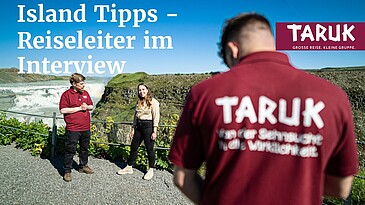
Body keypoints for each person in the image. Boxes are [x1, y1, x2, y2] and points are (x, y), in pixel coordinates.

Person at [168, 13, 359, 205]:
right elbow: (341, 187)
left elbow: (183, 177)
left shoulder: (204, 93)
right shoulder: (333, 97)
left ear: (233, 50)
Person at [117, 83, 160, 180]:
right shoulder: (139, 102)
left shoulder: (154, 102)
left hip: (148, 126)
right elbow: (135, 116)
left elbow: (156, 117)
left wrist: (154, 131)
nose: (141, 92)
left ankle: (151, 169)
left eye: (143, 89)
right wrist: (133, 128)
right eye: (140, 90)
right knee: (134, 147)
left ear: (147, 90)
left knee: (149, 148)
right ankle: (129, 167)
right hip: (139, 127)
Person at [59, 73, 94, 182]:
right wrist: (79, 108)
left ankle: (83, 166)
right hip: (73, 128)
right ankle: (67, 170)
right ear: (74, 83)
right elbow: (63, 110)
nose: (84, 85)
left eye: (84, 83)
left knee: (84, 148)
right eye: (81, 83)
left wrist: (87, 107)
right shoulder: (66, 95)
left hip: (85, 127)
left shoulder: (85, 93)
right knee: (70, 150)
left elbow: (91, 106)